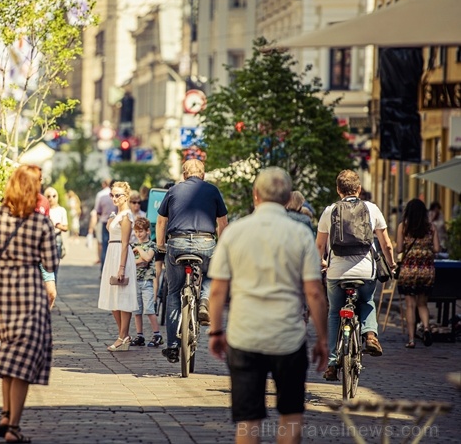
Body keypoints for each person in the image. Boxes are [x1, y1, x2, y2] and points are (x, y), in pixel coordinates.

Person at [208, 167, 328, 444]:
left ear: (255, 195)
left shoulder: (235, 232)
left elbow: (217, 291)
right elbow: (314, 292)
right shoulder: (300, 234)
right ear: (288, 198)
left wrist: (216, 331)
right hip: (288, 337)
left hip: (244, 335)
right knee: (291, 415)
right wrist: (322, 338)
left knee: (248, 421)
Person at [0, 164, 59, 444]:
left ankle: (6, 413)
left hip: (0, 290)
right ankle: (13, 427)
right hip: (29, 289)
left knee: (9, 349)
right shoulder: (41, 222)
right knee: (26, 356)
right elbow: (51, 261)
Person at [316, 169, 396, 382]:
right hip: (365, 271)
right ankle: (370, 335)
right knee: (367, 300)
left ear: (338, 190)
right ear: (359, 189)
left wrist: (322, 262)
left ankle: (333, 363)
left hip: (337, 272)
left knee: (334, 313)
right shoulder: (372, 209)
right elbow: (386, 243)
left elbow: (319, 246)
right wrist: (392, 263)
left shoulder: (329, 211)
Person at [156, 159, 228, 363]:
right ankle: (204, 300)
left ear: (184, 175)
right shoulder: (212, 191)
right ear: (203, 174)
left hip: (176, 244)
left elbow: (162, 221)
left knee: (173, 292)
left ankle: (171, 346)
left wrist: (161, 245)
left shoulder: (173, 191)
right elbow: (223, 222)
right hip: (205, 243)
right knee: (211, 273)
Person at [97, 181, 138, 351]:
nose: (114, 198)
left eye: (118, 195)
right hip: (112, 255)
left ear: (126, 196)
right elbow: (110, 230)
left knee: (123, 297)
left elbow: (125, 243)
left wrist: (121, 267)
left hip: (121, 255)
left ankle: (123, 336)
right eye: (112, 195)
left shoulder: (126, 216)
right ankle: (123, 335)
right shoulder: (117, 215)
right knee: (113, 297)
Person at [397, 198, 441, 348]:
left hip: (409, 270)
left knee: (410, 305)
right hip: (426, 270)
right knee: (422, 304)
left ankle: (411, 339)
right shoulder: (431, 228)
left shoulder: (403, 227)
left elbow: (399, 250)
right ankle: (427, 328)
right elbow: (436, 249)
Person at [129, 217, 163, 347]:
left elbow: (148, 258)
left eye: (141, 231)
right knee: (136, 311)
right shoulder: (133, 245)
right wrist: (139, 260)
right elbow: (133, 262)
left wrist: (139, 251)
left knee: (149, 310)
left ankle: (157, 334)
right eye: (136, 231)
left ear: (148, 231)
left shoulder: (152, 245)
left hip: (147, 282)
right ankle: (140, 335)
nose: (138, 234)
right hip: (135, 281)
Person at [44, 187, 68, 280]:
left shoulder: (61, 210)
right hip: (45, 238)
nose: (51, 198)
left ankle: (53, 288)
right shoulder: (44, 209)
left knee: (55, 266)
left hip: (57, 237)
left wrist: (58, 226)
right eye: (48, 196)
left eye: (54, 196)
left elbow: (65, 227)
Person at [92, 178, 116, 268]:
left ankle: (103, 270)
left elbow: (97, 211)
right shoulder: (118, 199)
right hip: (116, 224)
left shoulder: (102, 197)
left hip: (104, 222)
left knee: (105, 247)